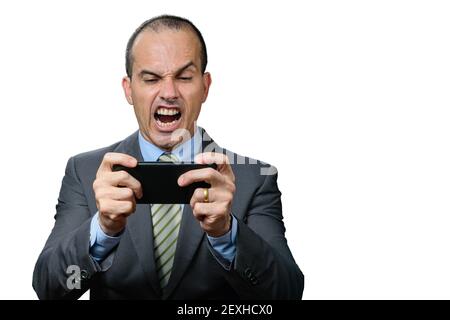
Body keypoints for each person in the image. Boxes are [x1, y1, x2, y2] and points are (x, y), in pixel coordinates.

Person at [33, 15, 304, 300]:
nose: (169, 93)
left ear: (205, 86)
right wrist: (101, 231)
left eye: (185, 77)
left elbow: (286, 294)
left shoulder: (255, 178)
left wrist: (227, 233)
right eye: (151, 79)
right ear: (129, 89)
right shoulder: (85, 171)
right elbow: (51, 290)